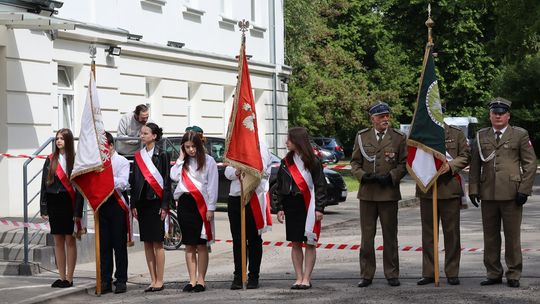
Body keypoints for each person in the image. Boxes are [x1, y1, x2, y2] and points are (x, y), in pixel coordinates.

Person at [469, 97, 537, 288]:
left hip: (512, 194)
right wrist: (474, 189)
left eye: (501, 113)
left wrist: (524, 189)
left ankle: (514, 273)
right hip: (488, 193)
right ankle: (493, 273)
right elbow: (475, 165)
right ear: (490, 116)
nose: (498, 116)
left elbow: (530, 164)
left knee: (512, 236)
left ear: (508, 115)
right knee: (490, 236)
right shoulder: (482, 135)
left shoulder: (519, 135)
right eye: (494, 113)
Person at [350, 101, 407, 288]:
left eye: (387, 115)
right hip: (367, 194)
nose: (385, 119)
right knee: (367, 237)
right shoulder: (362, 137)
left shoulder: (398, 138)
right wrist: (362, 176)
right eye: (381, 116)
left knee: (390, 236)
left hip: (388, 193)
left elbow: (404, 163)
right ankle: (366, 274)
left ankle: (392, 273)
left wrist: (392, 176)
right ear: (372, 119)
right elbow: (355, 163)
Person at [416, 124, 470, 286]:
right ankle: (429, 272)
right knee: (428, 235)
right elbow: (412, 157)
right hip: (427, 187)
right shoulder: (420, 132)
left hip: (449, 189)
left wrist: (450, 166)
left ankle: (452, 272)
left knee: (452, 234)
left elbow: (465, 155)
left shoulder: (456, 133)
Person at [276, 127, 326, 290]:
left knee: (309, 242)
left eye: (289, 139)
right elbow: (279, 185)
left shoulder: (313, 161)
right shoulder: (286, 162)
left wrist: (319, 208)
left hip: (309, 205)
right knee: (295, 242)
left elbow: (320, 186)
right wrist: (279, 206)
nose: (286, 142)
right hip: (292, 205)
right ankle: (298, 277)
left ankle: (307, 278)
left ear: (298, 140)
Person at [171, 131, 218, 293]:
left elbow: (212, 185)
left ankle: (201, 280)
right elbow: (174, 177)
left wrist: (211, 208)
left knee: (201, 244)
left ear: (199, 145)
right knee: (189, 244)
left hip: (202, 204)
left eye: (193, 146)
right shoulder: (182, 163)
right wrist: (180, 159)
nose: (191, 150)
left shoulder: (209, 161)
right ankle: (191, 280)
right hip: (185, 203)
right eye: (187, 147)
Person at [129, 122, 171, 292]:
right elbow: (134, 181)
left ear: (154, 136)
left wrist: (165, 204)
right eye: (141, 133)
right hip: (143, 203)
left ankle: (160, 280)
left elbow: (167, 181)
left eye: (146, 133)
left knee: (158, 243)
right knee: (147, 243)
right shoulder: (138, 155)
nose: (142, 136)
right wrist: (133, 204)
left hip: (156, 202)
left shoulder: (162, 155)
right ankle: (152, 279)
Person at [225, 141, 273, 290]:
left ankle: (253, 277)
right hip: (235, 197)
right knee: (238, 240)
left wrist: (247, 169)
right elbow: (227, 171)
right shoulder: (235, 144)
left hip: (253, 196)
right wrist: (236, 172)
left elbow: (263, 170)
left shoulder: (261, 146)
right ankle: (239, 275)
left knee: (253, 239)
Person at [40, 128, 83, 288]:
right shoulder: (50, 159)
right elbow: (44, 185)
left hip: (69, 202)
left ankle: (70, 278)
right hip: (54, 202)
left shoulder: (76, 160)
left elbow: (79, 189)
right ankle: (61, 276)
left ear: (68, 141)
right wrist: (43, 207)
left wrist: (78, 211)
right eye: (57, 138)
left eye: (62, 139)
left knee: (69, 240)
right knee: (58, 241)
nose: (58, 141)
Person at [99, 132, 131, 294]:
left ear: (111, 146)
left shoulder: (122, 161)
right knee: (104, 245)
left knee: (119, 245)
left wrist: (106, 179)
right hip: (102, 205)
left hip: (117, 204)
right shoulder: (97, 162)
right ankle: (105, 279)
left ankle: (121, 279)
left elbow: (123, 182)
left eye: (104, 146)